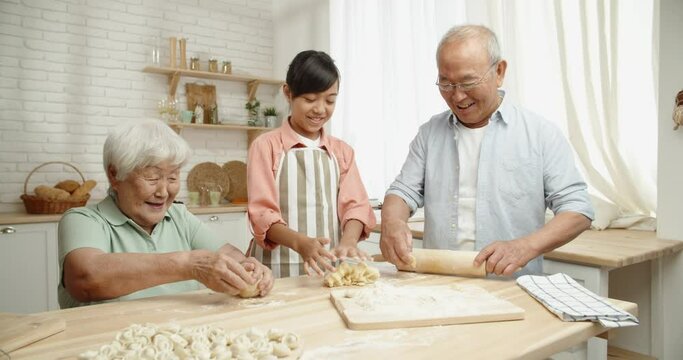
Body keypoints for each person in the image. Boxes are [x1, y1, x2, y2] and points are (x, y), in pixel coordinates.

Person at [380, 25, 594, 276]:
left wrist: (525, 247)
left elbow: (578, 209)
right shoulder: (429, 134)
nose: (457, 97)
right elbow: (401, 192)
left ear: (499, 71)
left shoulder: (540, 134)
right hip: (438, 287)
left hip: (512, 288)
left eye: (468, 82)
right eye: (446, 84)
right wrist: (392, 222)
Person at [58, 119, 273, 308]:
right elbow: (86, 278)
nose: (163, 192)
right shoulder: (83, 220)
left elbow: (228, 254)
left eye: (172, 178)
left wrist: (249, 268)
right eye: (152, 178)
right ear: (115, 175)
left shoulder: (179, 215)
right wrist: (189, 265)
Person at [247, 50, 376, 278]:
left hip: (329, 269)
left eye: (330, 100)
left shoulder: (342, 152)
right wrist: (300, 243)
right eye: (309, 99)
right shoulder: (265, 147)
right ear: (288, 93)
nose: (320, 109)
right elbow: (262, 214)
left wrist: (348, 242)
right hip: (275, 270)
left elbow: (356, 206)